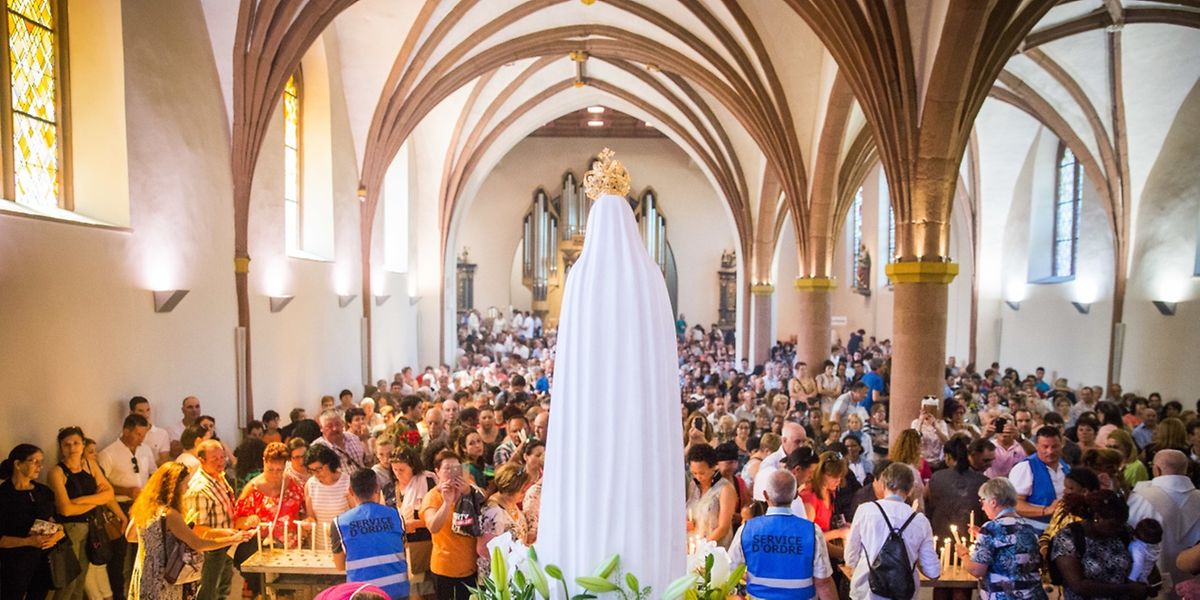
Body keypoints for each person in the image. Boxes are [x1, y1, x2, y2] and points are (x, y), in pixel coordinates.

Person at [127, 462, 248, 600]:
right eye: (185, 483)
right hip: (165, 577)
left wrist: (154, 541)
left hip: (144, 572)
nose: (188, 487)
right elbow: (197, 543)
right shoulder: (170, 514)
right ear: (174, 487)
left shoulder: (144, 508)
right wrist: (232, 539)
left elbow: (130, 536)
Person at [728, 470, 838, 600]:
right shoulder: (812, 531)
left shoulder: (746, 530)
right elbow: (823, 583)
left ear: (765, 495)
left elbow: (730, 572)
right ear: (796, 495)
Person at [845, 463, 941, 599]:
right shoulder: (920, 521)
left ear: (883, 485)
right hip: (904, 593)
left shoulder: (865, 511)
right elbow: (933, 571)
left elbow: (850, 557)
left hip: (867, 591)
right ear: (911, 489)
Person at [48, 426, 117, 600]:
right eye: (67, 445)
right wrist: (96, 498)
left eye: (76, 443)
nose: (72, 448)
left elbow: (109, 494)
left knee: (81, 580)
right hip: (69, 529)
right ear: (61, 447)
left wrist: (80, 501)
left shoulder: (90, 464)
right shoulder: (57, 472)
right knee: (68, 582)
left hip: (90, 527)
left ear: (83, 444)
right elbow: (65, 509)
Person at [1050, 490, 1151, 599]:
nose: (1120, 528)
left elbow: (1141, 557)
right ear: (1097, 517)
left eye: (1122, 524)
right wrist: (1128, 589)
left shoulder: (1124, 532)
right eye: (1115, 525)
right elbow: (1078, 586)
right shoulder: (1068, 538)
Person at [1127, 449, 1200, 597]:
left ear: (1157, 469)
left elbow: (1128, 535)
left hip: (1152, 579)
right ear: (1186, 470)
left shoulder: (1139, 498)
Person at [958, 478, 1047, 600]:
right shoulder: (1029, 527)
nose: (982, 507)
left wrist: (963, 554)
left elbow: (977, 570)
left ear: (993, 502)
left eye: (982, 501)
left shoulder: (991, 528)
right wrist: (982, 536)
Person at [96, 413, 153, 596]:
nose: (141, 438)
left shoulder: (145, 450)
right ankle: (118, 594)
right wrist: (126, 491)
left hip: (142, 505)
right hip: (119, 507)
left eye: (143, 434)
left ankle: (140, 592)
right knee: (118, 555)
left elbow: (152, 473)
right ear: (126, 430)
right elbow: (101, 485)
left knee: (142, 551)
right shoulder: (108, 453)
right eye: (137, 434)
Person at [331, 469, 410, 599]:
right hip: (397, 591)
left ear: (350, 491)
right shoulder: (396, 515)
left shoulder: (340, 523)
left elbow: (339, 566)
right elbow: (402, 547)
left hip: (363, 594)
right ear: (377, 489)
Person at [0, 444, 65, 600]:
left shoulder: (43, 492)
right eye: (34, 461)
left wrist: (57, 535)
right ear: (18, 464)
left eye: (40, 462)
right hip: (14, 564)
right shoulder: (4, 495)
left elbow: (56, 524)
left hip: (43, 562)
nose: (39, 467)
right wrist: (28, 541)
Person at [184, 439, 241, 600]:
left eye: (222, 457)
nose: (220, 462)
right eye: (214, 459)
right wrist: (225, 533)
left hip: (226, 545)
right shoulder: (200, 488)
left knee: (222, 591)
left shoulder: (219, 478)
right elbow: (196, 528)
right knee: (208, 594)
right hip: (211, 550)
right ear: (202, 461)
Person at [421, 450, 478, 600]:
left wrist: (468, 492)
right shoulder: (432, 497)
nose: (452, 473)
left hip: (470, 566)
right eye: (447, 469)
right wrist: (446, 503)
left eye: (456, 468)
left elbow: (485, 501)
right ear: (437, 472)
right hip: (444, 569)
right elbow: (433, 526)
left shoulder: (468, 489)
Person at [233, 442, 305, 546]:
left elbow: (305, 514)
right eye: (270, 469)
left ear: (285, 465)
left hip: (291, 549)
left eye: (279, 470)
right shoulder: (252, 489)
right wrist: (249, 520)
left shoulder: (295, 486)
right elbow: (237, 522)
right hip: (261, 549)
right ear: (264, 462)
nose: (275, 474)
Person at [390, 447, 436, 598]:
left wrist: (414, 524)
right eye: (395, 469)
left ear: (413, 467)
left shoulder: (428, 483)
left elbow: (437, 516)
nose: (398, 473)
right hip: (402, 549)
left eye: (402, 469)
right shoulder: (390, 489)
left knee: (428, 591)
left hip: (426, 545)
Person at [926, 435, 988, 541]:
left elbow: (929, 504)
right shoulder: (983, 480)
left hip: (942, 534)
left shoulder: (936, 477)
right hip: (972, 535)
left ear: (948, 457)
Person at [1010, 426, 1069, 533]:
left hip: (1062, 530)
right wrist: (1046, 510)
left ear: (1062, 445)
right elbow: (1014, 504)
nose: (1050, 451)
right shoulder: (1025, 468)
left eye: (1054, 446)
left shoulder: (1066, 467)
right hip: (1033, 532)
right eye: (1045, 447)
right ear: (1037, 446)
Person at [476, 464, 530, 575]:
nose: (524, 493)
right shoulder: (493, 512)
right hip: (499, 574)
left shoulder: (510, 503)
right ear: (510, 489)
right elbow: (484, 549)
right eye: (522, 490)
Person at [686, 444, 737, 547]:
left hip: (714, 547)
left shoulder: (725, 489)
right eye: (694, 473)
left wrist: (702, 546)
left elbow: (723, 527)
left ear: (714, 467)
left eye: (702, 473)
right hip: (693, 544)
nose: (698, 477)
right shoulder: (693, 486)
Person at [304, 444, 352, 549]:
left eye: (318, 469)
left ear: (329, 463)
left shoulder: (347, 482)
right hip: (320, 544)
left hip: (344, 543)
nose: (316, 474)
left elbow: (355, 514)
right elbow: (311, 516)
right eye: (311, 470)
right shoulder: (310, 484)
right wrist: (308, 522)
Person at [128, 397, 170, 465]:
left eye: (148, 410)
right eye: (140, 411)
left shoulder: (162, 433)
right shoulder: (127, 434)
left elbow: (164, 460)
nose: (145, 414)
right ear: (132, 413)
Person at [1128, 519, 1162, 585]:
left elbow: (1138, 565)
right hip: (1145, 576)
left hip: (1137, 578)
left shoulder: (1138, 547)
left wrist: (1131, 579)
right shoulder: (1155, 547)